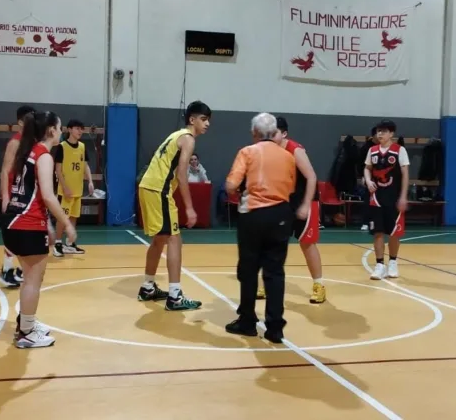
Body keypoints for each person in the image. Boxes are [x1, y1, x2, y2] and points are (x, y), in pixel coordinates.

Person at [2, 111, 76, 348]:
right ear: (51, 130)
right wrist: (66, 223)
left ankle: (27, 323)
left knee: (30, 279)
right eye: (60, 127)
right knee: (33, 281)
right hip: (27, 225)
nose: (61, 132)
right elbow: (48, 196)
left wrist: (48, 225)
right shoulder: (43, 156)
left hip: (14, 222)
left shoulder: (28, 152)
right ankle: (26, 333)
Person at [224, 113, 296, 343]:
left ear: (254, 132)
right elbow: (291, 187)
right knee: (275, 272)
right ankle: (275, 328)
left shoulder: (247, 152)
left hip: (253, 215)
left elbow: (231, 185)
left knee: (248, 270)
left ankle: (247, 321)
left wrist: (239, 190)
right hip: (281, 214)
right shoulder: (288, 156)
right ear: (274, 132)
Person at [136, 100, 211, 311]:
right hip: (158, 189)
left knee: (160, 239)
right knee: (174, 239)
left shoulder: (175, 135)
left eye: (208, 120)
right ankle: (175, 296)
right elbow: (182, 174)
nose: (207, 124)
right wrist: (189, 207)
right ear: (192, 119)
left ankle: (148, 287)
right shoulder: (188, 139)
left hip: (148, 186)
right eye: (204, 119)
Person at [256, 116, 325, 303]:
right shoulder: (267, 150)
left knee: (307, 244)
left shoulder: (295, 150)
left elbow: (311, 177)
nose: (270, 136)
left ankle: (319, 285)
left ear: (284, 133)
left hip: (305, 200)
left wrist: (305, 204)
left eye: (274, 133)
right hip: (284, 200)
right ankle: (267, 283)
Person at [364, 119, 410, 280]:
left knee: (394, 233)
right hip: (376, 198)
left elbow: (405, 175)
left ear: (391, 133)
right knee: (377, 232)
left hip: (394, 198)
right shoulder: (372, 151)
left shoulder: (400, 150)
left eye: (383, 131)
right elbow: (367, 168)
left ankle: (393, 262)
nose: (380, 134)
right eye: (378, 131)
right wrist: (368, 180)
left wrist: (403, 196)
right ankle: (379, 265)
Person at [0, 105, 35, 288]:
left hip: (26, 192)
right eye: (29, 118)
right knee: (14, 233)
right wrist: (5, 197)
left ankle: (19, 270)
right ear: (20, 122)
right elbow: (5, 171)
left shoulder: (33, 141)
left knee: (25, 233)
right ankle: (6, 270)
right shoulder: (15, 143)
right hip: (14, 193)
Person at [52, 119, 93, 257]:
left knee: (74, 217)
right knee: (62, 218)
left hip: (77, 190)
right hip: (65, 191)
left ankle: (69, 244)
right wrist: (65, 188)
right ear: (69, 129)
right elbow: (58, 170)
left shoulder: (82, 146)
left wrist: (90, 181)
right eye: (77, 128)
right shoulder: (62, 146)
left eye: (81, 129)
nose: (80, 131)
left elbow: (85, 166)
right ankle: (57, 244)